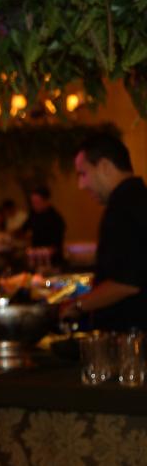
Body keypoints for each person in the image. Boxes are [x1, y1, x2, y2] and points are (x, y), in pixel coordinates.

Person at [60, 134, 147, 332]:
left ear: (105, 167)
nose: (81, 185)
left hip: (130, 336)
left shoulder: (122, 207)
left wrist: (76, 306)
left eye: (83, 174)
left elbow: (126, 282)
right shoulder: (138, 198)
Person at [19, 186, 66, 267]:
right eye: (32, 202)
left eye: (37, 202)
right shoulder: (33, 214)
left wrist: (45, 251)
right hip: (36, 259)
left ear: (46, 201)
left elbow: (56, 245)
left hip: (53, 261)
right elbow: (23, 229)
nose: (34, 205)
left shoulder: (55, 218)